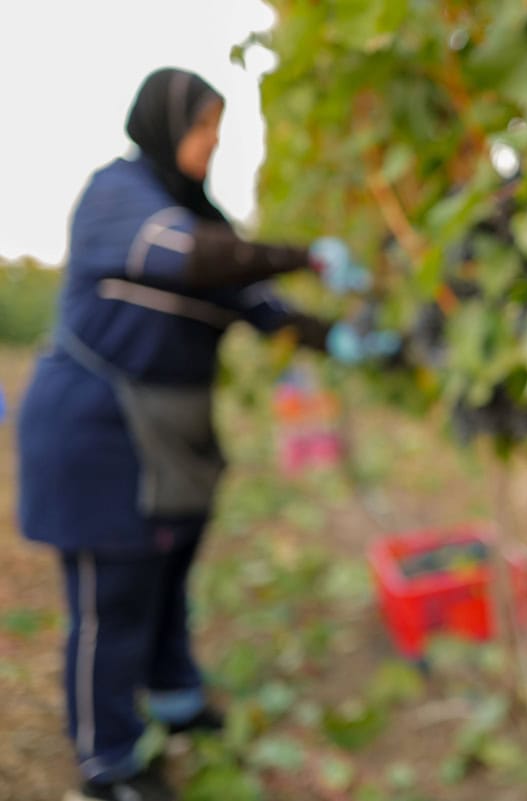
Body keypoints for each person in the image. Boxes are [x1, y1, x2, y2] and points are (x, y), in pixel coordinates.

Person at [16, 68, 396, 801]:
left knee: (167, 569)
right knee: (112, 596)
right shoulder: (118, 197)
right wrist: (306, 251)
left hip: (169, 432)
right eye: (202, 128)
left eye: (218, 132)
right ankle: (109, 763)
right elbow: (193, 257)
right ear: (163, 123)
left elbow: (258, 303)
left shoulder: (201, 218)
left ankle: (175, 698)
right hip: (96, 432)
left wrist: (341, 337)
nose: (210, 144)